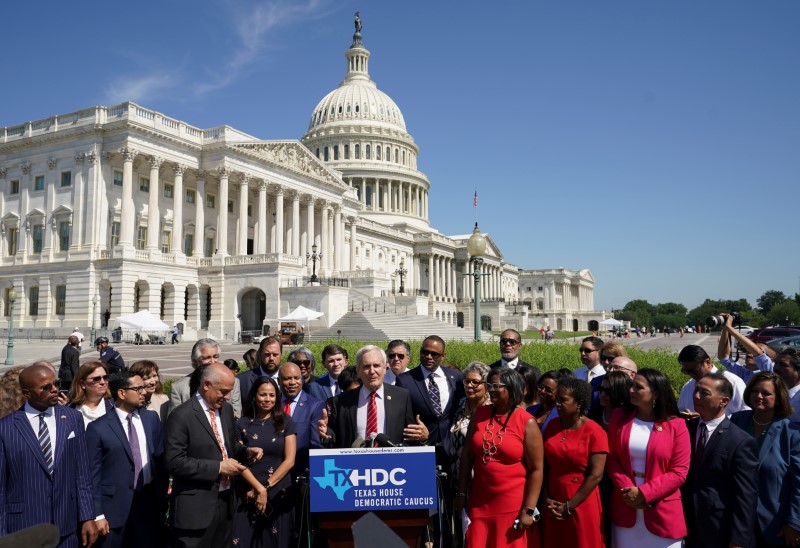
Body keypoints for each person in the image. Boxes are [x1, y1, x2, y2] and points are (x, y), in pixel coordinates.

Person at [0, 363, 97, 547]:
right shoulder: (5, 429)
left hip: (66, 528)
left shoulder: (72, 419)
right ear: (27, 394)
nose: (55, 390)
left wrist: (87, 516)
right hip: (24, 530)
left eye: (56, 383)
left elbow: (82, 473)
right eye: (46, 387)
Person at [165, 364, 254, 548]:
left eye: (230, 391)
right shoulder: (181, 416)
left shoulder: (226, 410)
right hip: (195, 510)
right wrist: (219, 468)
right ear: (206, 385)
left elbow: (225, 447)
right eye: (223, 391)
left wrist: (245, 451)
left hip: (225, 503)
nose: (227, 396)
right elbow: (174, 462)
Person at [454, 368, 544, 548]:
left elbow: (536, 469)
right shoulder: (480, 414)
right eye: (490, 385)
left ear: (512, 389)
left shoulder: (527, 421)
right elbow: (467, 456)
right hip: (480, 501)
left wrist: (529, 509)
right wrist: (461, 492)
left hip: (512, 503)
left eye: (496, 385)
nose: (491, 389)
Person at [606, 369, 690, 547]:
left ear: (656, 393)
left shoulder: (677, 425)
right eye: (632, 386)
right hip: (625, 507)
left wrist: (644, 493)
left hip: (662, 511)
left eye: (638, 387)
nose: (631, 391)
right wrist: (627, 490)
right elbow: (612, 459)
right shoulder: (619, 417)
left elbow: (679, 472)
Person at [85, 371, 166, 548]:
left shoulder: (151, 419)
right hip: (113, 511)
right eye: (138, 389)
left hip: (148, 504)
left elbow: (160, 462)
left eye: (143, 388)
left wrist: (162, 500)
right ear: (122, 393)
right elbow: (92, 476)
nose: (143, 392)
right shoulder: (98, 428)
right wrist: (97, 514)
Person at [682, 372, 758, 548]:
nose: (696, 396)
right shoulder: (687, 429)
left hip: (719, 527)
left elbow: (745, 495)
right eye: (696, 390)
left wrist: (740, 538)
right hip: (686, 522)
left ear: (723, 401)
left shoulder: (740, 441)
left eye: (704, 393)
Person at [730, 372, 800, 547]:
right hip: (734, 520)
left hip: (773, 524)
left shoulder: (791, 433)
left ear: (779, 398)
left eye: (766, 393)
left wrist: (794, 522)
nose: (759, 396)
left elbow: (798, 483)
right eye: (754, 391)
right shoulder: (737, 421)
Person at [317, 345, 428, 448]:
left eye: (376, 366)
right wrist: (325, 433)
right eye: (366, 366)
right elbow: (333, 441)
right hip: (354, 465)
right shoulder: (340, 401)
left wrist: (422, 437)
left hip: (392, 464)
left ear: (385, 368)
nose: (372, 371)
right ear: (358, 371)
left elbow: (411, 438)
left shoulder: (402, 396)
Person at [541, 377, 608, 548]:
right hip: (553, 501)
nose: (557, 404)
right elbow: (544, 467)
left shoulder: (594, 431)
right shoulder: (552, 426)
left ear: (579, 403)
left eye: (563, 400)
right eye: (557, 399)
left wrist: (570, 506)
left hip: (581, 499)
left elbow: (596, 474)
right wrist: (547, 498)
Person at [233, 377, 297, 548]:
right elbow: (238, 460)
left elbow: (289, 460)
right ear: (254, 396)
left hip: (278, 490)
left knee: (276, 541)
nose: (267, 399)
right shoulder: (241, 424)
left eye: (272, 395)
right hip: (248, 491)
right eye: (263, 395)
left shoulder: (285, 421)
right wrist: (256, 488)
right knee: (243, 540)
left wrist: (265, 487)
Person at [396, 335, 464, 455]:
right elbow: (400, 416)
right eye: (425, 352)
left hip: (451, 447)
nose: (428, 357)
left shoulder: (456, 377)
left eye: (434, 354)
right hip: (421, 447)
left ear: (443, 356)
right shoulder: (405, 380)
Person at [448, 361, 490, 546]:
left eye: (475, 382)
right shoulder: (460, 404)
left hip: (480, 484)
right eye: (466, 382)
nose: (470, 386)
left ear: (486, 384)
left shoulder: (491, 409)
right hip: (457, 480)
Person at [170, 338, 242, 417]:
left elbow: (236, 414)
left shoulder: (233, 382)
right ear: (196, 360)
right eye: (207, 358)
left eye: (215, 356)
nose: (212, 361)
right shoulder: (179, 388)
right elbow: (174, 421)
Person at [676, 345, 747, 416]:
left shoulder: (733, 382)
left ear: (707, 362)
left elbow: (745, 414)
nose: (691, 375)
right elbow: (680, 411)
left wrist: (708, 419)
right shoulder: (687, 387)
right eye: (686, 371)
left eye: (695, 371)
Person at [717, 312, 776, 383]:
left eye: (754, 350)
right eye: (749, 349)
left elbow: (758, 354)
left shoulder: (769, 372)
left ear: (770, 360)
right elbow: (723, 357)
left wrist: (730, 328)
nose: (749, 351)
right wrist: (725, 328)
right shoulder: (744, 373)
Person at [68, 361, 114, 428]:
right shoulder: (69, 410)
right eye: (96, 379)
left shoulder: (115, 407)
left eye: (105, 377)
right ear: (83, 384)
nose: (103, 382)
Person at [238, 337, 283, 402]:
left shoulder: (292, 380)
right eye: (267, 354)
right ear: (260, 355)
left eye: (275, 354)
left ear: (281, 355)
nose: (271, 358)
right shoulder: (242, 381)